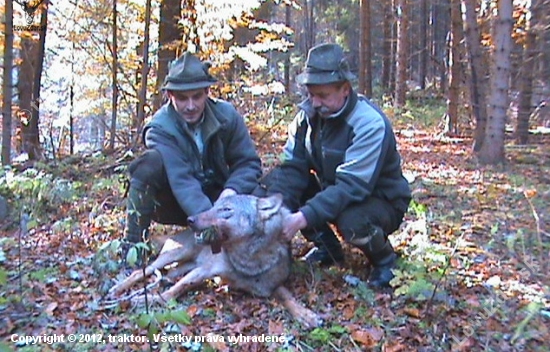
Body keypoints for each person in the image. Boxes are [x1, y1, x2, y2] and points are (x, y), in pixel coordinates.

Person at [263, 43, 411, 288]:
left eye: (323, 95)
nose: (315, 102)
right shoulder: (306, 118)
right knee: (276, 183)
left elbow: (351, 187)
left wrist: (300, 219)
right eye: (311, 94)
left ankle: (385, 261)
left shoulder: (369, 124)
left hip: (380, 200)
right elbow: (291, 168)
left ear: (345, 89)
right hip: (333, 188)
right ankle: (328, 249)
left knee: (352, 220)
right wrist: (279, 210)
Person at [122, 51, 262, 263]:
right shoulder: (159, 129)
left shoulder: (227, 116)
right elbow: (182, 181)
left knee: (266, 192)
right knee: (148, 164)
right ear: (170, 96)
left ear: (207, 92)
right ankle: (132, 250)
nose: (190, 106)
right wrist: (210, 225)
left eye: (197, 96)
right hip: (177, 203)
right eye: (182, 98)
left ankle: (258, 251)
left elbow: (248, 163)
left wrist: (230, 194)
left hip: (222, 198)